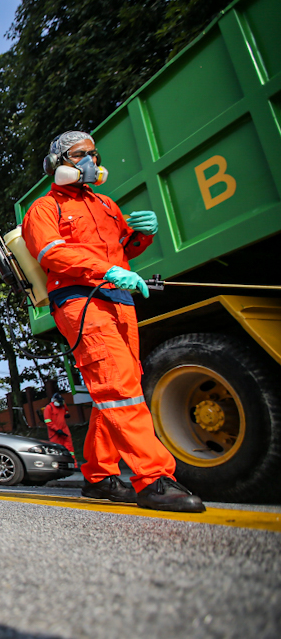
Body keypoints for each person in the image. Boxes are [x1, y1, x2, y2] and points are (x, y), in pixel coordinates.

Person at [22, 131, 204, 513]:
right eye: (79, 154)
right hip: (81, 300)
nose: (89, 159)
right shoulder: (44, 208)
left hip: (119, 299)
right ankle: (152, 478)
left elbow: (125, 249)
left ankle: (100, 476)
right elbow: (54, 255)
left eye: (93, 153)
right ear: (59, 163)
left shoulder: (105, 204)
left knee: (123, 387)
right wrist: (106, 269)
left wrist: (142, 235)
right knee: (118, 384)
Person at [43, 393, 76, 465]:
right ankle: (60, 464)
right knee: (57, 449)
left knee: (70, 448)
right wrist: (56, 429)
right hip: (54, 433)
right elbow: (48, 421)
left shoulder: (62, 405)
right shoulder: (49, 408)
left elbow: (66, 410)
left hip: (64, 430)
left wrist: (66, 414)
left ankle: (73, 464)